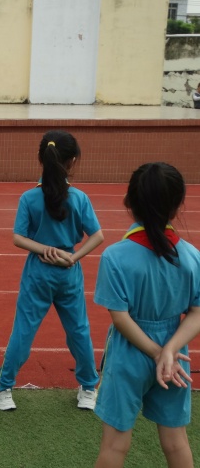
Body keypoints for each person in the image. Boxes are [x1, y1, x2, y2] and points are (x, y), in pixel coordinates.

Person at [0, 130, 104, 411]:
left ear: (41, 159)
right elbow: (97, 236)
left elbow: (18, 238)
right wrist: (72, 257)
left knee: (24, 330)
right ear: (72, 161)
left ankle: (4, 389)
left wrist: (43, 249)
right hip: (69, 272)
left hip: (39, 271)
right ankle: (89, 388)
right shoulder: (79, 198)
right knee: (79, 329)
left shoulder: (29, 198)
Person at [93, 163, 200, 468]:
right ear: (178, 205)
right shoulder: (192, 257)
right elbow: (197, 312)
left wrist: (155, 353)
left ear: (129, 202)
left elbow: (120, 318)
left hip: (130, 352)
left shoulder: (115, 256)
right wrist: (168, 351)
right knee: (176, 442)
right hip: (174, 356)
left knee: (115, 445)